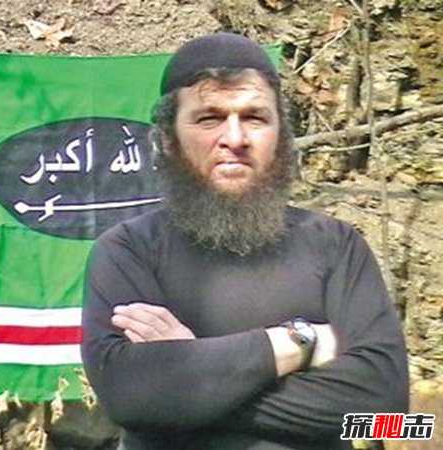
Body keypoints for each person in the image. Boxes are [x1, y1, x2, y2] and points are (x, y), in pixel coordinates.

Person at [80, 33, 409, 450]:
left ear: (281, 135)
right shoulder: (129, 249)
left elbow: (389, 420)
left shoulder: (336, 245)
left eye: (255, 118)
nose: (235, 139)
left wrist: (191, 379)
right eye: (209, 119)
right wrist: (299, 342)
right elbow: (130, 398)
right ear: (167, 139)